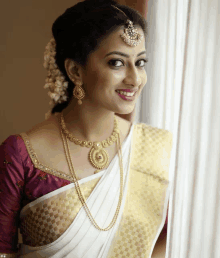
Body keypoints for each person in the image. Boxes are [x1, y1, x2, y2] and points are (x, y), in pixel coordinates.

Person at [0, 0, 173, 257]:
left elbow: (165, 240)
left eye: (140, 62)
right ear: (75, 70)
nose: (135, 79)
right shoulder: (21, 155)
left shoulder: (156, 148)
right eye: (116, 62)